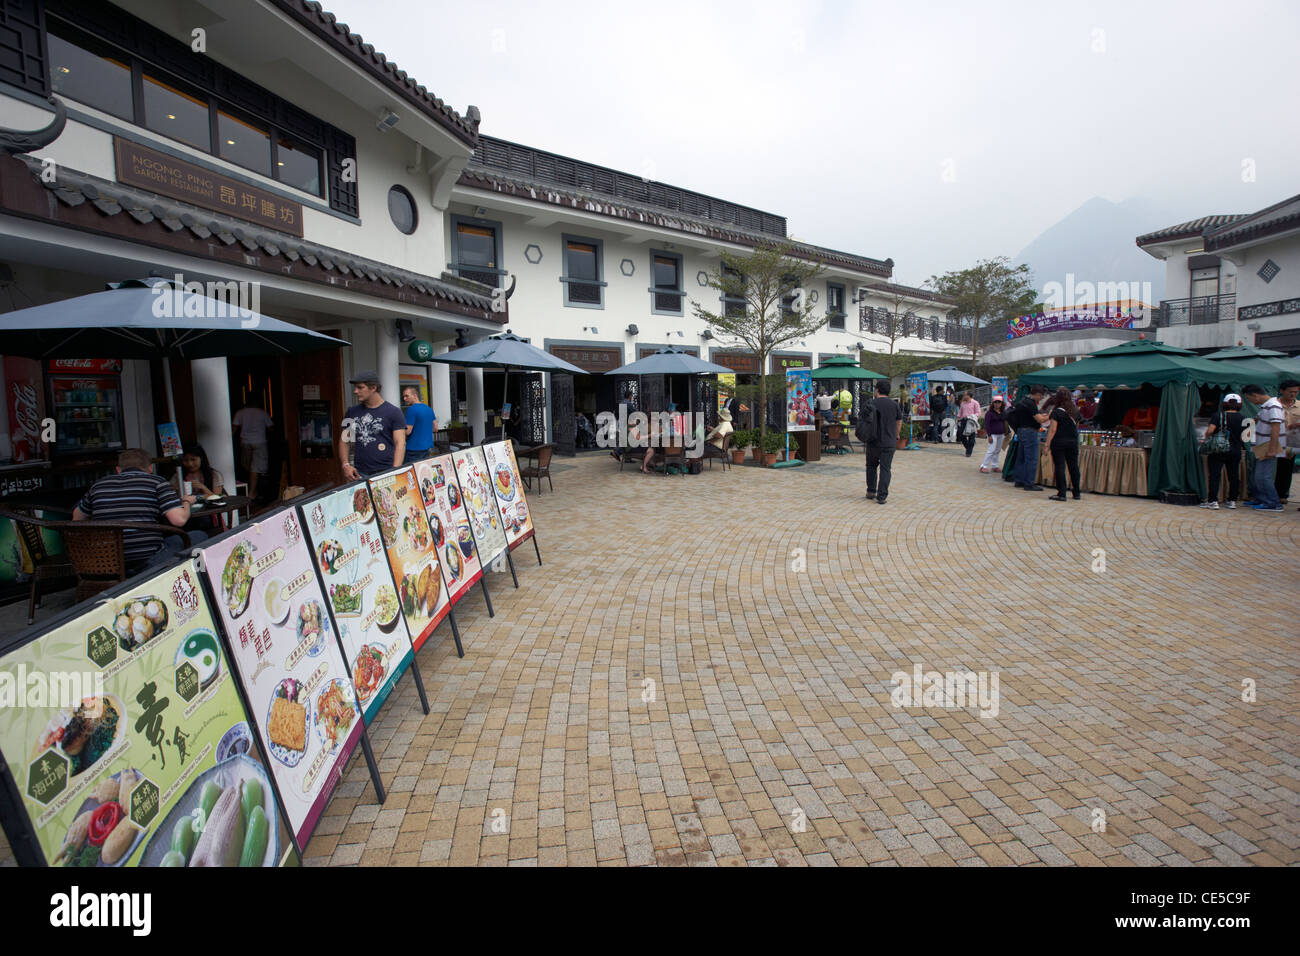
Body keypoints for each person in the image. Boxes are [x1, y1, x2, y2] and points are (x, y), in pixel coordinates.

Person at [73, 448, 205, 574]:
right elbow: (179, 520)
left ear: (118, 470)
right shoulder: (157, 482)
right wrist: (187, 501)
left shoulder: (98, 486)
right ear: (150, 468)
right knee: (200, 536)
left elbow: (77, 518)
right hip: (148, 561)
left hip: (107, 562)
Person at [339, 370, 406, 481]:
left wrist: (395, 471)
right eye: (355, 388)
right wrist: (345, 465)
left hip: (386, 472)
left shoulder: (393, 412)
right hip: (359, 473)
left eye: (360, 387)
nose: (355, 391)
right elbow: (345, 440)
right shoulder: (352, 412)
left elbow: (400, 443)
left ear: (373, 388)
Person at [1242, 383, 1286, 512]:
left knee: (1263, 476)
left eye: (1249, 399)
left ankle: (1273, 503)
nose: (1250, 401)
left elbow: (1276, 427)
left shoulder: (1273, 405)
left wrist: (1272, 449)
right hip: (1261, 446)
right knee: (1257, 476)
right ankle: (1260, 499)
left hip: (1268, 446)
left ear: (1255, 395)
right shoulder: (1266, 406)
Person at [1202, 393, 1246, 510]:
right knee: (1233, 476)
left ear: (1225, 404)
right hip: (1236, 450)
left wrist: (1206, 438)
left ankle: (1213, 501)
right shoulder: (1244, 418)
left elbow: (1211, 430)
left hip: (1218, 449)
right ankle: (1232, 501)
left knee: (1215, 475)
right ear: (1239, 405)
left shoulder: (1218, 415)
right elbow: (1246, 438)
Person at [864, 380, 903, 504]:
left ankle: (871, 491)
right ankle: (882, 496)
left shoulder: (871, 403)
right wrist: (897, 434)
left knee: (871, 466)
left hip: (873, 441)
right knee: (885, 468)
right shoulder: (894, 405)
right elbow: (899, 421)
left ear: (877, 390)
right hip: (889, 442)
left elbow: (864, 421)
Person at [1042, 387, 1081, 501]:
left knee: (1060, 466)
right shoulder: (1075, 411)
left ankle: (1062, 493)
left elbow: (1053, 429)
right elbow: (1076, 427)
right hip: (1073, 441)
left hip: (1059, 442)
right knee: (1073, 466)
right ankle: (1076, 492)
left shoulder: (1056, 412)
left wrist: (1047, 444)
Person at [1008, 384, 1050, 490]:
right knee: (1031, 458)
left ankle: (1019, 480)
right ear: (1037, 394)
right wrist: (1050, 415)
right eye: (1041, 396)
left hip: (1021, 430)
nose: (1041, 399)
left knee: (1021, 457)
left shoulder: (1022, 401)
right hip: (1030, 431)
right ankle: (1029, 483)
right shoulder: (1030, 403)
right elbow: (1039, 419)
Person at [232, 397, 273, 501]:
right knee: (255, 468)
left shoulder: (240, 413)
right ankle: (252, 492)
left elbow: (234, 428)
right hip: (260, 442)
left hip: (245, 442)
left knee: (247, 466)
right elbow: (270, 428)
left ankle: (250, 490)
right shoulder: (262, 413)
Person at [1272, 379, 1299, 504]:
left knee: (1286, 468)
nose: (1293, 394)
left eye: (1295, 392)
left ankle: (1282, 494)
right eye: (1290, 392)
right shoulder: (1273, 404)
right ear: (1282, 391)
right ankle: (1268, 493)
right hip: (1273, 440)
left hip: (1291, 442)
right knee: (1271, 468)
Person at [400, 385, 436, 465]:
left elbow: (407, 431)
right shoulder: (428, 408)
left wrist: (397, 429)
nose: (404, 399)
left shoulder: (411, 409)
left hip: (413, 450)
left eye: (407, 396)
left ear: (415, 395)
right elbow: (435, 428)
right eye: (403, 396)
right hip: (426, 448)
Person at [980, 396, 1008, 473]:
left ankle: (995, 466)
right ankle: (984, 466)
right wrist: (989, 435)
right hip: (993, 434)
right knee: (991, 450)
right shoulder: (989, 413)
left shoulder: (1003, 412)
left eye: (999, 402)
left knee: (997, 450)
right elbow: (987, 425)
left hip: (1001, 434)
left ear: (1002, 403)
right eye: (995, 402)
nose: (997, 404)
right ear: (993, 403)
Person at [957, 390, 982, 458]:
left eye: (965, 395)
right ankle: (968, 448)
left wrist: (972, 416)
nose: (964, 396)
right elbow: (960, 412)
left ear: (969, 396)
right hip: (963, 420)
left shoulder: (975, 403)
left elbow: (978, 413)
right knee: (961, 435)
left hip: (971, 421)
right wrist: (958, 418)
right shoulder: (963, 403)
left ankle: (969, 452)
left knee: (971, 437)